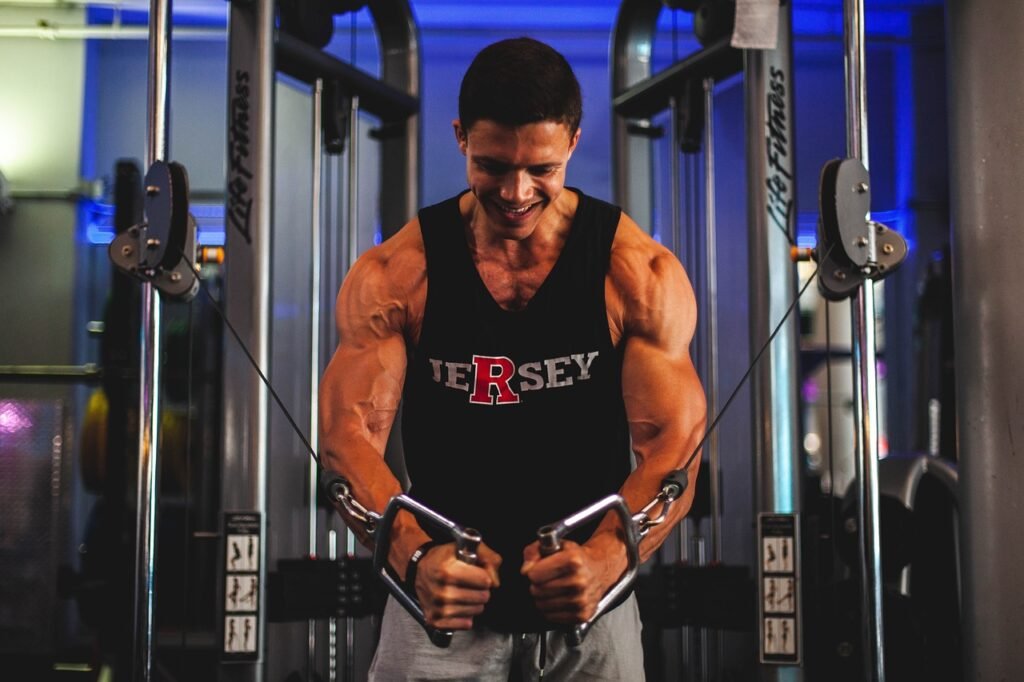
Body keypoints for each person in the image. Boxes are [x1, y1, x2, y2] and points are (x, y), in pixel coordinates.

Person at [318, 36, 706, 681]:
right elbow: (347, 439)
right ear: (461, 137)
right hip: (437, 608)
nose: (517, 191)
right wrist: (415, 559)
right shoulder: (397, 274)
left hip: (593, 606)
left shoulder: (635, 273)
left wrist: (609, 556)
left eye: (542, 170)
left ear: (574, 143)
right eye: (493, 165)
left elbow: (675, 444)